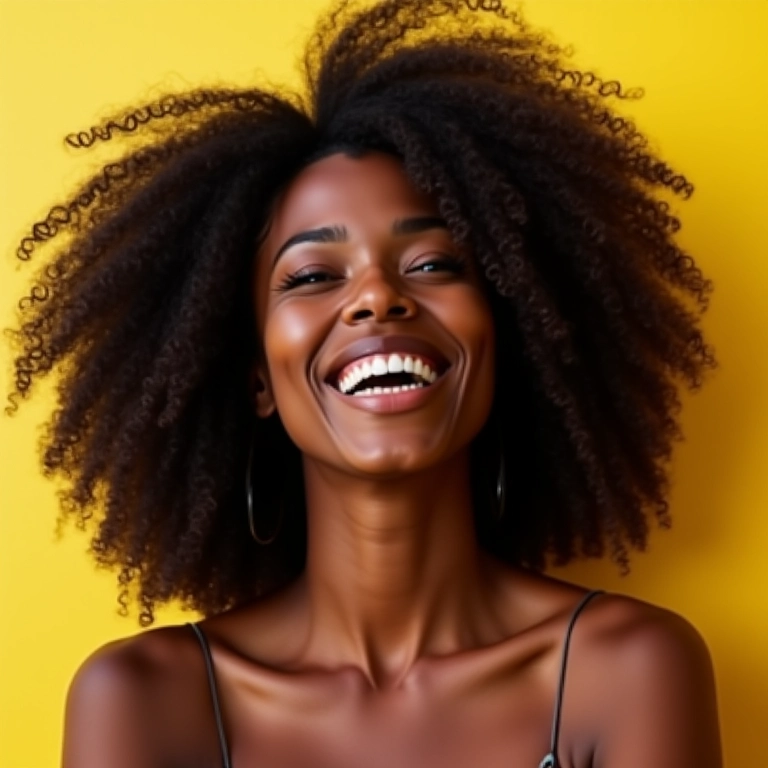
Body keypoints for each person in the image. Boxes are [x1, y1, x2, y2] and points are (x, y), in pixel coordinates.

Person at [8, 1, 721, 765]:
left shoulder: (626, 668)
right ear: (255, 377)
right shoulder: (146, 697)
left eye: (434, 264)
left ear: (508, 338)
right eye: (313, 275)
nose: (378, 297)